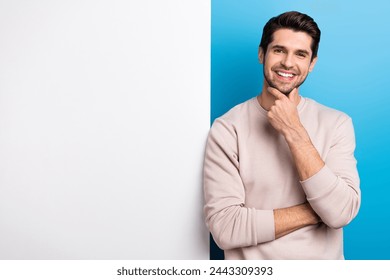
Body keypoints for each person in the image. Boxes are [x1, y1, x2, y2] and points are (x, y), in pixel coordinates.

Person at [203, 11, 361, 259]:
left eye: (301, 54)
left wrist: (293, 130)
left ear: (312, 63)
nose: (288, 63)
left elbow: (341, 213)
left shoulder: (337, 123)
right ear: (261, 54)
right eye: (279, 50)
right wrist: (316, 211)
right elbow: (226, 228)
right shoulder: (227, 128)